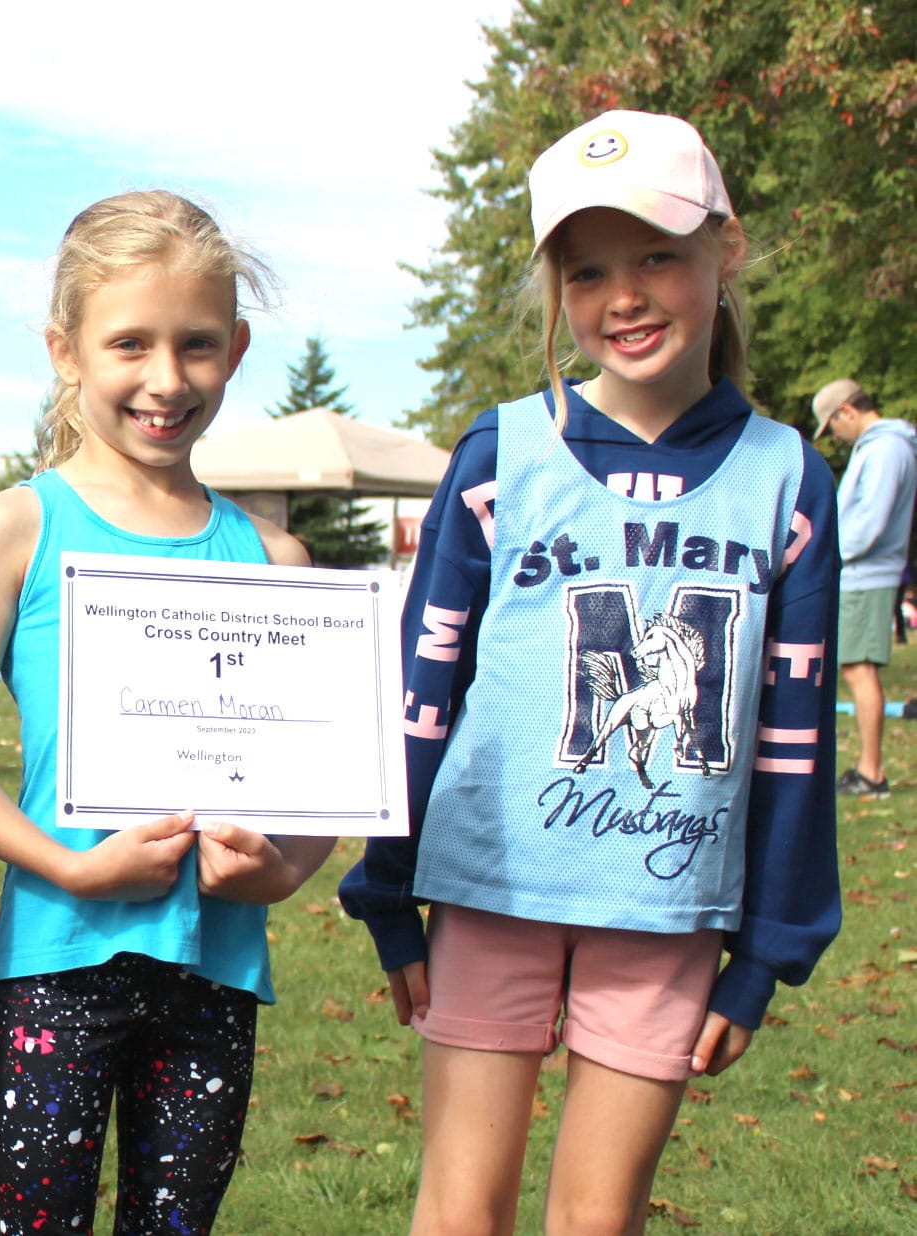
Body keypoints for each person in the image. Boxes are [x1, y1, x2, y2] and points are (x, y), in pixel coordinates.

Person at [339, 110, 842, 1235]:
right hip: (488, 895)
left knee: (593, 1220)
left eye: (657, 254)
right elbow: (421, 695)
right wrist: (388, 893)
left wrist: (766, 950)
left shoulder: (785, 480)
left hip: (664, 910)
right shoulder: (496, 457)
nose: (624, 295)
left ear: (727, 247)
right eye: (587, 269)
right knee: (458, 1212)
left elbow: (794, 737)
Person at [0, 190, 335, 1236]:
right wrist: (70, 864)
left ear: (237, 348)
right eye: (130, 343)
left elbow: (327, 776)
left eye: (197, 345)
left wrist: (286, 868)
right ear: (64, 349)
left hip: (213, 969)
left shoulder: (274, 558)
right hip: (57, 958)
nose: (166, 380)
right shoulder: (12, 530)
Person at [813, 378, 917, 798]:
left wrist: (828, 553)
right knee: (857, 670)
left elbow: (870, 522)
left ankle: (871, 773)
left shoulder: (885, 448)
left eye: (831, 426)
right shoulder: (883, 446)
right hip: (865, 573)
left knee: (860, 670)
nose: (835, 436)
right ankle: (866, 768)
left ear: (846, 412)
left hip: (865, 574)